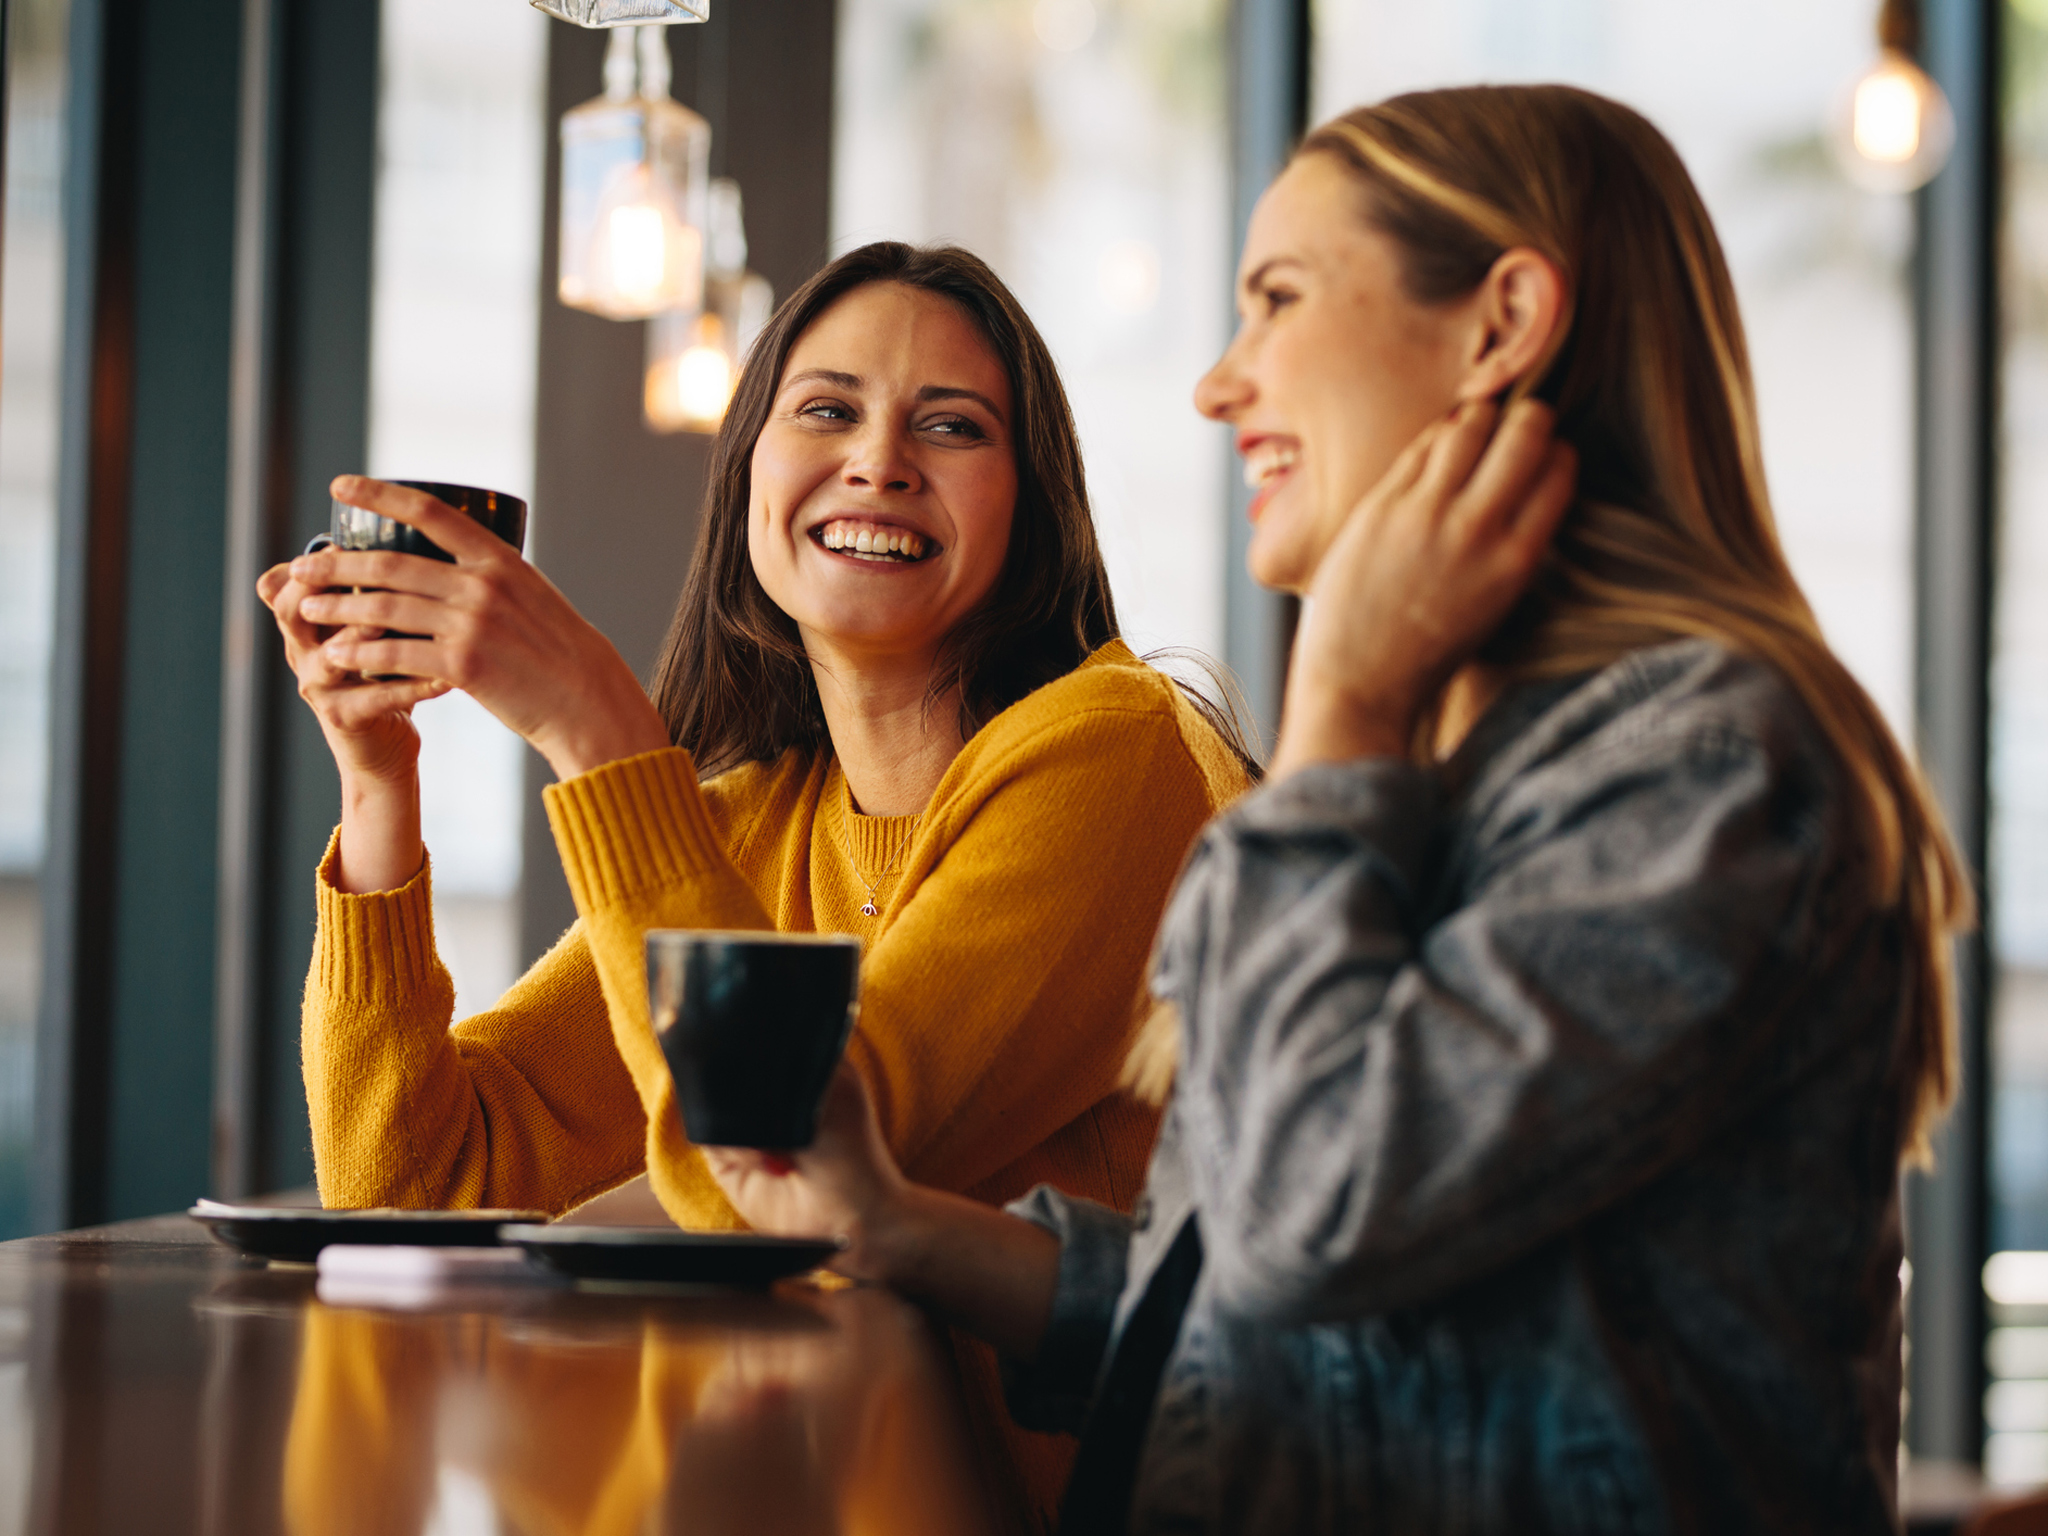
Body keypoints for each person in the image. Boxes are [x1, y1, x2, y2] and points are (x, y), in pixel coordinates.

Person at [700, 86, 1970, 1534]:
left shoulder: (1706, 772)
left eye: (1279, 300)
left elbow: (1312, 1215)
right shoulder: (1462, 770)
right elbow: (1267, 1327)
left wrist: (1341, 710)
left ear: (1500, 325)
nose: (1217, 384)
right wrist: (894, 1227)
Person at [258, 241, 1251, 1525]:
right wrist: (377, 779)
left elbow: (789, 1192)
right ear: (746, 482)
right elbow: (413, 1189)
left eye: (951, 426)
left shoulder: (1112, 752)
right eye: (827, 410)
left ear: (1032, 506)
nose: (879, 460)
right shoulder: (752, 826)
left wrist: (596, 730)